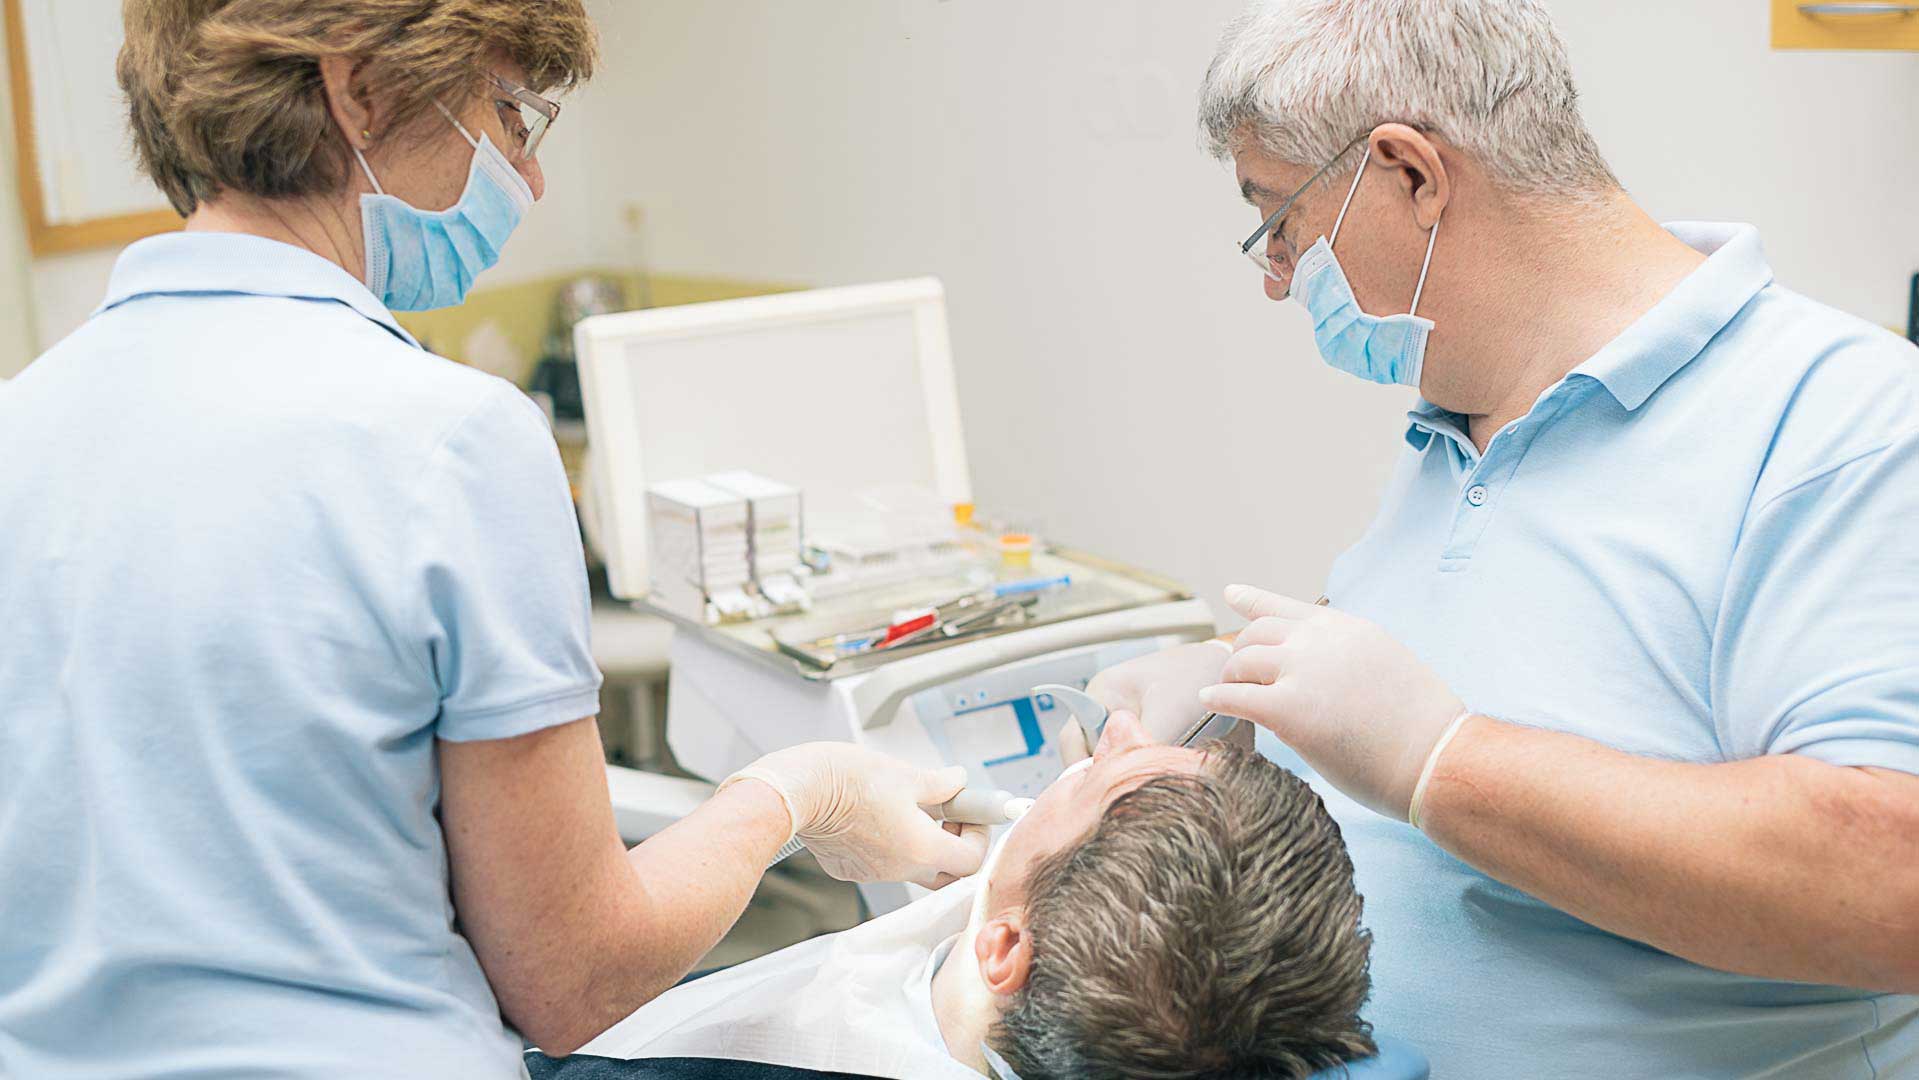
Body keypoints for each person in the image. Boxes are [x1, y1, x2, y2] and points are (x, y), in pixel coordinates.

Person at [0, 3, 982, 1077]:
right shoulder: (449, 440)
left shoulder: (21, 425)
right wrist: (800, 793)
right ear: (362, 90)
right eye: (512, 116)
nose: (531, 176)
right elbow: (577, 981)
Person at [1086, 1, 1919, 1075]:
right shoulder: (1462, 415)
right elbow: (1521, 661)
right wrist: (1239, 699)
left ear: (1410, 175)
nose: (1277, 276)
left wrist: (1443, 761)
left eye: (1279, 221)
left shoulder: (1849, 425)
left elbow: (1891, 887)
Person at [530, 713, 1380, 1080]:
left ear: (1003, 949)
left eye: (1106, 775)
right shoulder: (1182, 1016)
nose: (1118, 729)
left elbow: (566, 995)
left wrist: (790, 797)